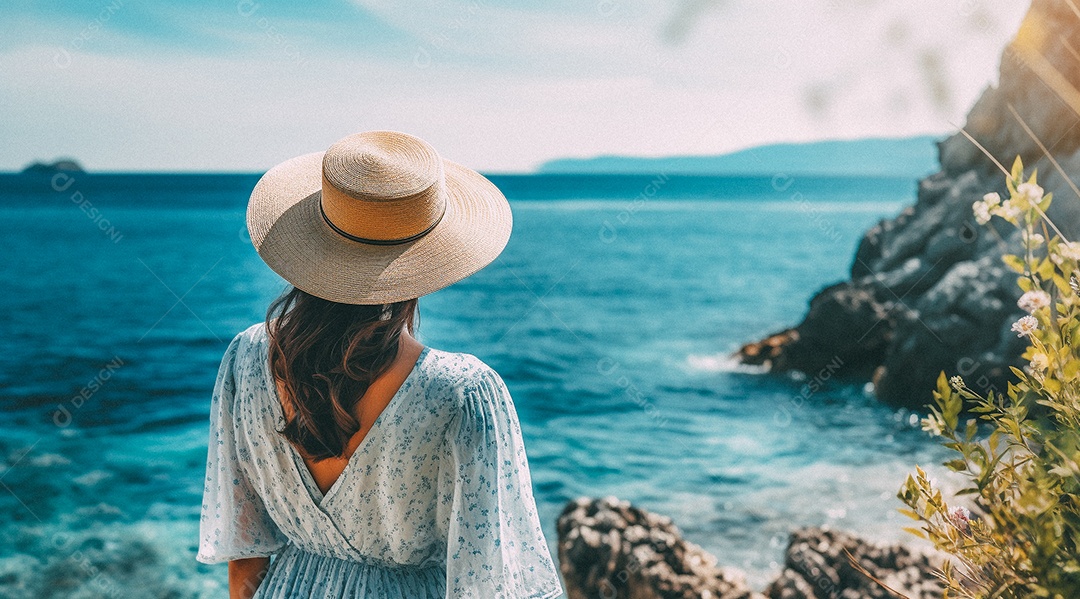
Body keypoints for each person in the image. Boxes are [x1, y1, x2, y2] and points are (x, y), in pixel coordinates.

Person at [195, 131, 563, 599]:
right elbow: (492, 579)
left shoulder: (246, 358)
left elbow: (243, 544)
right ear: (427, 258)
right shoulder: (461, 391)